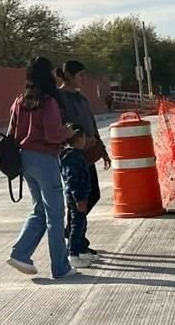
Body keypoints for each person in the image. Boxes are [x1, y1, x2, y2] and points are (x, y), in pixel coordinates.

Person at [6, 57, 78, 279]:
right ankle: (60, 267)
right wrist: (69, 132)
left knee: (39, 209)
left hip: (25, 159)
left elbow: (11, 133)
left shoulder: (20, 101)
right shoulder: (48, 102)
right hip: (45, 159)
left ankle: (20, 253)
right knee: (55, 214)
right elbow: (52, 135)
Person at [56, 60, 110, 262]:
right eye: (80, 75)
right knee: (78, 199)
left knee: (92, 195)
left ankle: (73, 235)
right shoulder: (60, 99)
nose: (83, 79)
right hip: (72, 156)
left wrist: (102, 150)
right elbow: (60, 127)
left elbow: (92, 126)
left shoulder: (81, 98)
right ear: (68, 75)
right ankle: (76, 242)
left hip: (88, 154)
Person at [59, 125, 92, 269]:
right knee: (77, 225)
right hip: (76, 197)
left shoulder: (75, 155)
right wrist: (79, 198)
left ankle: (80, 249)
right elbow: (72, 180)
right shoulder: (72, 157)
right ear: (79, 139)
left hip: (78, 196)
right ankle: (72, 254)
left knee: (79, 223)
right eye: (84, 138)